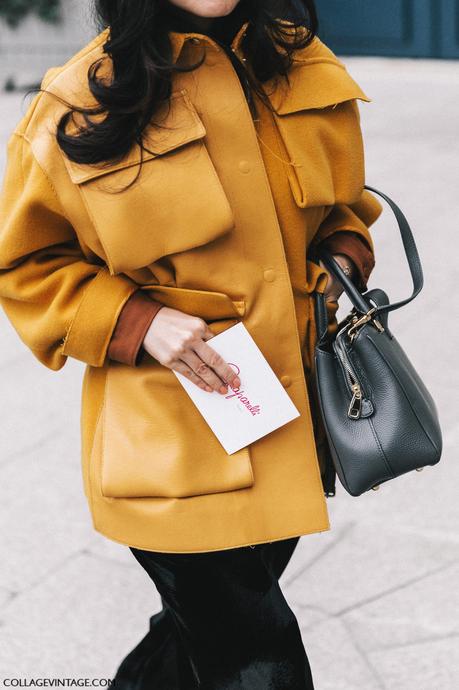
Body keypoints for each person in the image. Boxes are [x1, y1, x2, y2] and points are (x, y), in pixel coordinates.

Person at [0, 1, 382, 687]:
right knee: (255, 659)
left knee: (197, 638)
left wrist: (346, 256)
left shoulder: (301, 63)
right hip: (171, 447)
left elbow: (343, 208)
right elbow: (24, 264)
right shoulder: (79, 100)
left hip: (291, 430)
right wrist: (136, 321)